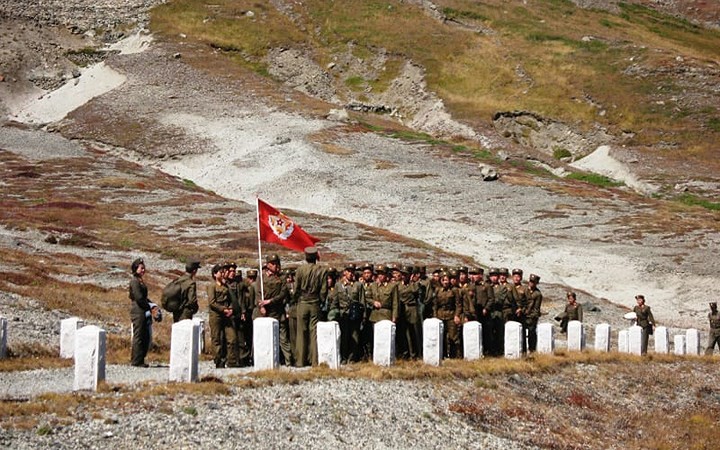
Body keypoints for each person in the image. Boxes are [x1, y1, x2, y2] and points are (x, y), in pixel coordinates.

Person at [294, 247, 329, 367]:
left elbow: (296, 289)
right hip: (315, 302)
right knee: (314, 332)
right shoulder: (322, 271)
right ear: (316, 257)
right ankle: (314, 360)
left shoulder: (300, 270)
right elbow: (324, 290)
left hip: (303, 301)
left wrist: (296, 299)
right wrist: (321, 301)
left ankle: (300, 361)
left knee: (301, 332)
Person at [257, 254, 293, 366]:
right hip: (266, 312)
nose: (275, 265)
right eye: (273, 263)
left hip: (278, 310)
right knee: (267, 337)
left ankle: (288, 361)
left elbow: (283, 294)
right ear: (268, 265)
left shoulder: (282, 277)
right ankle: (267, 361)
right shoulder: (262, 277)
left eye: (277, 263)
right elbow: (258, 293)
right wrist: (261, 306)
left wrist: (270, 301)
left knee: (283, 338)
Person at [328, 263, 364, 363]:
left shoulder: (358, 285)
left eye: (352, 271)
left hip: (355, 315)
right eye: (349, 271)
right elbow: (335, 302)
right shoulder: (338, 285)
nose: (351, 273)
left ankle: (352, 358)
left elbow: (362, 302)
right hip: (343, 314)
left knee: (355, 337)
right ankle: (343, 357)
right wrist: (332, 314)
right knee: (344, 336)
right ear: (345, 272)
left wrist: (363, 317)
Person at [208, 264, 237, 368]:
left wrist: (230, 309)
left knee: (231, 338)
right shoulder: (212, 286)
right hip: (216, 314)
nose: (223, 274)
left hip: (226, 314)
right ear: (215, 274)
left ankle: (231, 361)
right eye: (220, 272)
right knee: (217, 338)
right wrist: (223, 309)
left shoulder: (226, 286)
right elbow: (212, 302)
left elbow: (232, 299)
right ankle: (218, 360)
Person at [129, 257, 153, 367]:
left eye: (144, 268)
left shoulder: (140, 280)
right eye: (141, 268)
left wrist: (152, 304)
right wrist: (149, 306)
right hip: (138, 310)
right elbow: (139, 297)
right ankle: (136, 360)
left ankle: (140, 359)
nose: (143, 270)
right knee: (138, 335)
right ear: (136, 268)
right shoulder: (134, 281)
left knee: (144, 335)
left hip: (142, 309)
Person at [433, 272, 462, 358]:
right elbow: (435, 305)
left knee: (453, 337)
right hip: (440, 316)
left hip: (451, 315)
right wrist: (435, 316)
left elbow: (458, 305)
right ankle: (443, 355)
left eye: (447, 280)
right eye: (443, 280)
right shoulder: (438, 290)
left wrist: (457, 315)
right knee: (441, 336)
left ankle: (454, 356)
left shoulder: (454, 290)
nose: (445, 282)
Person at [173, 258, 200, 322]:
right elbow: (192, 300)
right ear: (194, 270)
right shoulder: (191, 283)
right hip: (185, 313)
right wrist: (195, 308)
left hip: (176, 311)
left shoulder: (179, 280)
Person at [524, 274, 542, 352]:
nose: (531, 283)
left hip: (531, 317)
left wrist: (532, 316)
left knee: (532, 333)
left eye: (533, 282)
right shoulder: (525, 290)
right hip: (523, 315)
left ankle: (532, 350)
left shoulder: (538, 294)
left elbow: (536, 308)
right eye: (531, 281)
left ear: (536, 283)